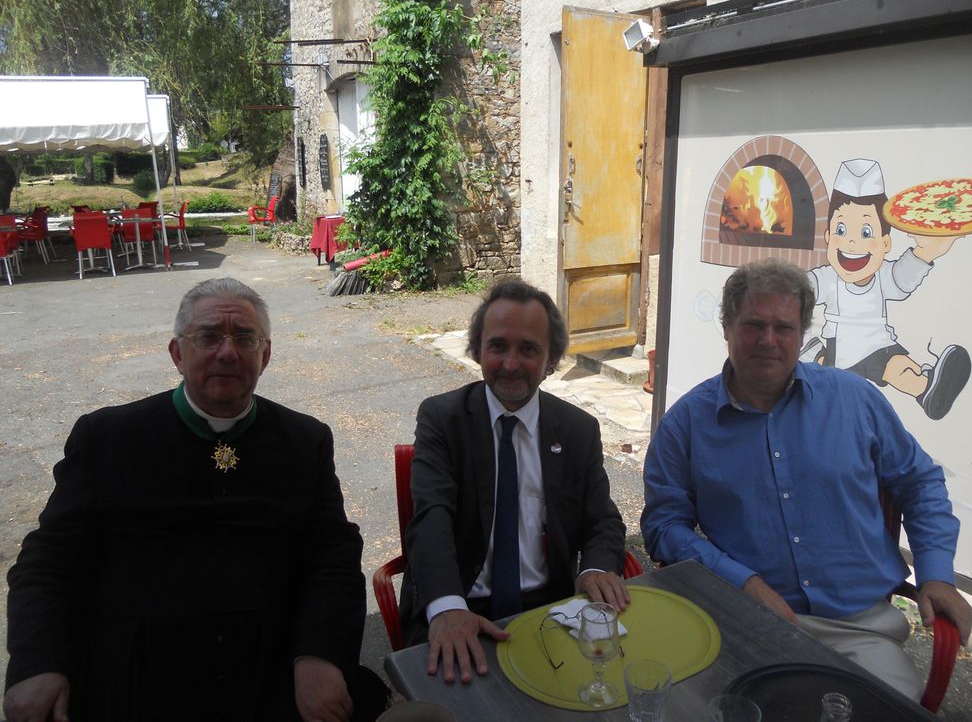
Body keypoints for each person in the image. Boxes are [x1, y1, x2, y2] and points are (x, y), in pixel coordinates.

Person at [4, 277, 387, 722]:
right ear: (177, 354)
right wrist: (38, 663)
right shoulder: (108, 437)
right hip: (136, 678)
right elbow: (48, 562)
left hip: (270, 675)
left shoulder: (305, 440)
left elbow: (333, 556)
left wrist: (319, 655)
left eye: (245, 338)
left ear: (265, 355)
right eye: (208, 336)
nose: (227, 352)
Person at [641, 259, 972, 701]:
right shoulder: (686, 423)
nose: (768, 340)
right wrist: (741, 581)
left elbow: (920, 482)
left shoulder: (854, 400)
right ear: (726, 327)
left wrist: (937, 574)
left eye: (784, 327)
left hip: (859, 630)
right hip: (741, 621)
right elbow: (664, 525)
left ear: (803, 334)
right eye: (753, 324)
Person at [399, 279, 629, 684]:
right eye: (498, 346)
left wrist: (593, 568)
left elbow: (602, 520)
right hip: (461, 602)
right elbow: (431, 517)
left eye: (528, 349)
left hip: (550, 609)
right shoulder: (442, 419)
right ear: (477, 350)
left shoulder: (577, 430)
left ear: (552, 358)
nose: (510, 363)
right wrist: (447, 605)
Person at [803, 158, 969, 420]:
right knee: (833, 385)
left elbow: (902, 279)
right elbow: (804, 289)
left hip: (879, 344)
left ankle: (928, 390)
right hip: (841, 351)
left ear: (886, 243)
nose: (853, 241)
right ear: (828, 238)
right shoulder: (829, 278)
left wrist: (926, 251)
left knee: (898, 367)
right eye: (842, 229)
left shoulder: (882, 275)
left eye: (866, 231)